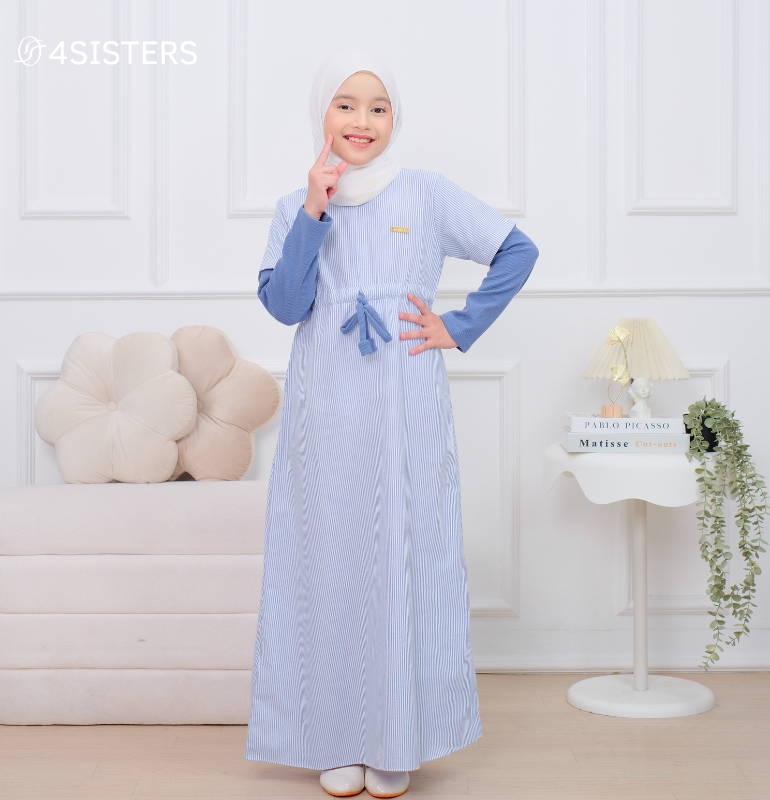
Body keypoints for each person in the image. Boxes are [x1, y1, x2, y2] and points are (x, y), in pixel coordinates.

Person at [245, 50, 539, 798]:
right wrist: (315, 208)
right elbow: (285, 304)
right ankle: (332, 738)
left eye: (378, 107)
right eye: (346, 104)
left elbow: (516, 249)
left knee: (405, 556)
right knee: (329, 561)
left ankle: (397, 735)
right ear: (322, 113)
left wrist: (459, 325)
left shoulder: (426, 193)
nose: (362, 120)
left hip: (407, 402)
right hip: (325, 408)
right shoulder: (295, 206)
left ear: (393, 119)